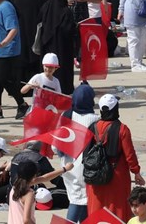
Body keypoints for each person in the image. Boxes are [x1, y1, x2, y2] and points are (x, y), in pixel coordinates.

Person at [86, 94, 145, 221]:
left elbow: (86, 153)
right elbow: (130, 155)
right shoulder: (122, 129)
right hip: (117, 176)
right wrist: (136, 172)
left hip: (95, 176)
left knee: (96, 208)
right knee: (118, 210)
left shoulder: (92, 127)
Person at [56, 82, 98, 224]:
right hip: (84, 167)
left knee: (79, 199)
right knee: (79, 200)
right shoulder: (95, 119)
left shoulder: (65, 116)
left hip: (67, 165)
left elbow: (56, 145)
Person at [7, 157, 71, 224]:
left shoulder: (14, 188)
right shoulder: (29, 194)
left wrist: (64, 169)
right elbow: (26, 220)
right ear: (34, 176)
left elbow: (45, 178)